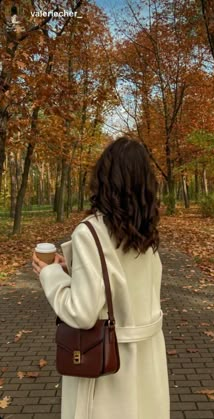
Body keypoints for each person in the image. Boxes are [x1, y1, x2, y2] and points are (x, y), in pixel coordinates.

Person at [32, 137, 170, 419]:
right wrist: (72, 271)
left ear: (104, 178)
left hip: (109, 370)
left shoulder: (90, 231)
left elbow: (82, 313)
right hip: (148, 361)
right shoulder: (145, 232)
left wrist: (50, 275)